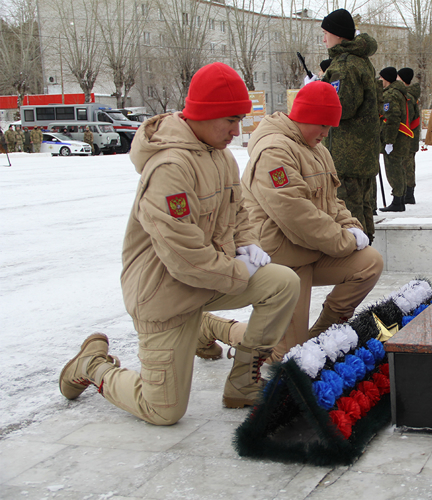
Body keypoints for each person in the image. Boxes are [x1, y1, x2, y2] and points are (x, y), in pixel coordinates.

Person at [59, 62, 301, 424]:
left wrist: (247, 243)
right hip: (165, 296)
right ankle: (92, 365)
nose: (237, 131)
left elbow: (238, 215)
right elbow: (184, 259)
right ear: (204, 115)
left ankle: (241, 383)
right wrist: (238, 270)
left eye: (240, 120)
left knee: (283, 283)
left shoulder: (219, 156)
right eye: (230, 120)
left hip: (209, 281)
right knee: (163, 411)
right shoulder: (170, 168)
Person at [202, 81, 382, 366]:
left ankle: (320, 339)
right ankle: (214, 327)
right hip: (284, 258)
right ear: (302, 116)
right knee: (283, 357)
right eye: (321, 125)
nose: (325, 133)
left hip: (314, 249)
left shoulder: (316, 149)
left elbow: (332, 200)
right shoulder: (274, 151)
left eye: (329, 126)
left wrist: (352, 226)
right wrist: (344, 241)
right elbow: (296, 214)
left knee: (368, 262)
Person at [319, 8, 380, 243]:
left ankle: (359, 264)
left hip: (346, 153)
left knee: (349, 213)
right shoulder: (360, 61)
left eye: (326, 33)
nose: (324, 38)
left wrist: (319, 91)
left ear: (338, 35)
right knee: (363, 206)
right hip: (361, 152)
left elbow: (341, 107)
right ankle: (368, 255)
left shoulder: (344, 65)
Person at [378, 66, 411, 212]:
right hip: (400, 137)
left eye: (381, 78)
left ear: (386, 79)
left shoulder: (391, 95)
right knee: (398, 169)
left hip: (394, 139)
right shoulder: (399, 92)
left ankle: (398, 200)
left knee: (393, 170)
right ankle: (400, 198)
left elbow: (392, 119)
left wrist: (389, 141)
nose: (380, 81)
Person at [398, 68, 420, 204]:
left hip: (408, 136)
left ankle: (409, 193)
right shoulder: (409, 95)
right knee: (407, 164)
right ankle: (408, 192)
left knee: (407, 165)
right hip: (410, 135)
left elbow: (407, 117)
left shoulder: (408, 97)